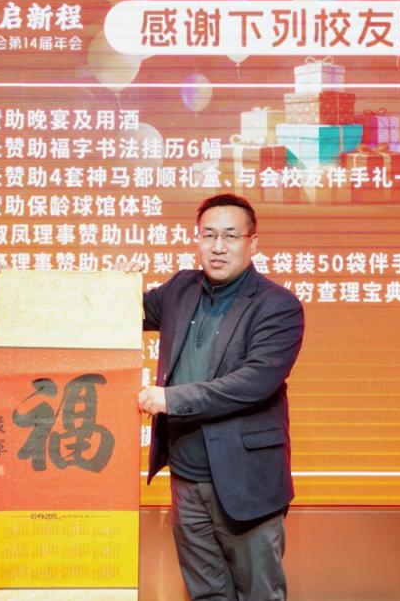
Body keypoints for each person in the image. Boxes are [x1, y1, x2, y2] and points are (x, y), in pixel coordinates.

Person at [137, 193, 304, 600]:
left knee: (259, 593)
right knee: (206, 593)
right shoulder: (180, 289)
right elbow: (123, 311)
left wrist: (171, 400)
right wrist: (117, 288)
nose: (218, 246)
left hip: (246, 482)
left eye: (230, 236)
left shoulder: (277, 306)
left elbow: (253, 383)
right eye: (208, 235)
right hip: (186, 477)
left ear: (252, 243)